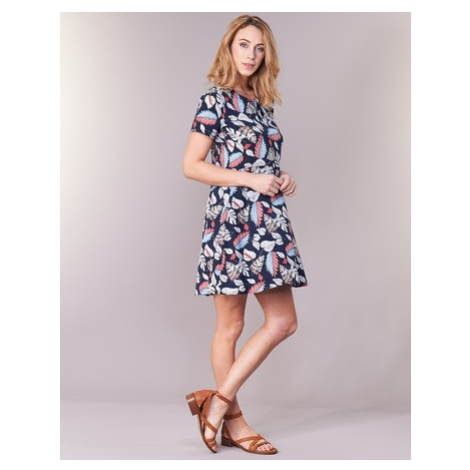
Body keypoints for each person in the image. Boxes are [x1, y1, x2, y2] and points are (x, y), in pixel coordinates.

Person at [182, 14, 308, 455]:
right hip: (231, 221)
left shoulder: (261, 103)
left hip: (267, 220)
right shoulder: (214, 99)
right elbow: (192, 165)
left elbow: (256, 161)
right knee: (230, 325)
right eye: (244, 45)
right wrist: (250, 180)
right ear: (229, 48)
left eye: (259, 47)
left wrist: (279, 176)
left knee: (283, 322)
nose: (251, 54)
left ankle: (215, 403)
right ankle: (234, 421)